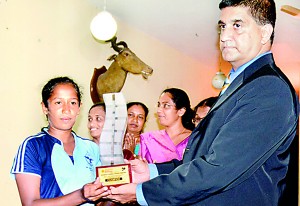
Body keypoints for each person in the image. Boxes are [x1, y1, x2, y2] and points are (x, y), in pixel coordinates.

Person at [104, 0, 299, 205]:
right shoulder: (241, 84)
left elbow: (218, 169)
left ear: (265, 33)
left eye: (237, 25)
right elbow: (201, 159)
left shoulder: (269, 88)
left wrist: (142, 192)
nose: (224, 36)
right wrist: (151, 171)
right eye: (222, 26)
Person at [10, 77, 108, 205]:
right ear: (45, 107)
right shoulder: (33, 146)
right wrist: (82, 195)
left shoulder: (91, 148)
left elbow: (102, 197)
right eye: (58, 103)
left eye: (73, 103)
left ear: (79, 108)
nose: (67, 110)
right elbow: (30, 204)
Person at [138, 88, 195, 163]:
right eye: (159, 105)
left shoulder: (194, 139)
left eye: (166, 105)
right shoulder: (148, 139)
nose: (159, 110)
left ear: (181, 111)